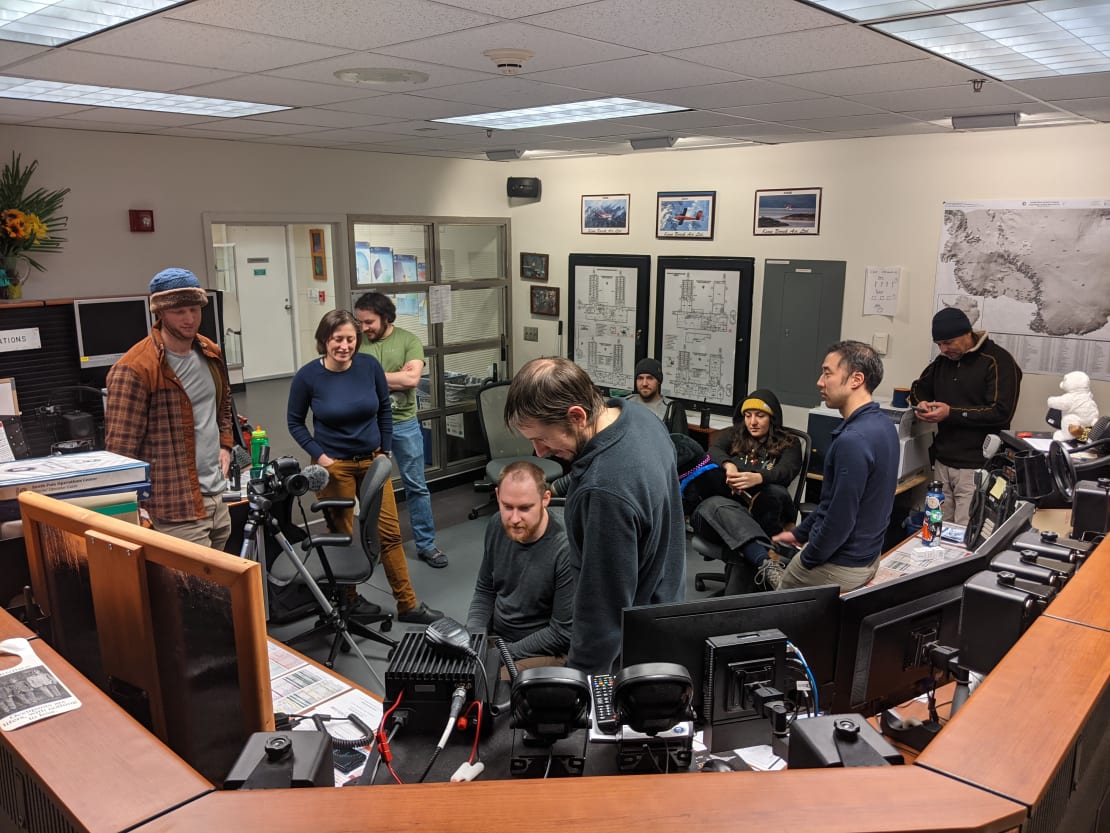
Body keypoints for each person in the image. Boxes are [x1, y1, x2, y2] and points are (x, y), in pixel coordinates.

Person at [504, 357, 686, 676]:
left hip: (625, 653)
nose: (539, 452)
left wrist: (580, 684)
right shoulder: (641, 418)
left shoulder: (603, 490)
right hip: (665, 610)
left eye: (542, 439)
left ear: (577, 416)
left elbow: (602, 612)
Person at [287, 309, 441, 625]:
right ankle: (350, 601)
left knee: (389, 533)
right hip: (335, 466)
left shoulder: (369, 367)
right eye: (337, 339)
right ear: (324, 340)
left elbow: (384, 409)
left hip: (373, 462)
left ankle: (408, 605)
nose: (344, 346)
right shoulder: (308, 376)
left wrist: (384, 451)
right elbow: (295, 422)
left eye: (350, 339)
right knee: (341, 534)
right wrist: (321, 456)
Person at [106, 268, 233, 550]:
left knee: (221, 591)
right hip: (174, 509)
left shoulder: (210, 352)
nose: (189, 319)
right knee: (189, 593)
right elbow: (120, 453)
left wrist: (225, 444)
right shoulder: (135, 368)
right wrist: (132, 509)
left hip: (215, 499)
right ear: (160, 313)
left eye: (194, 309)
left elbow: (223, 406)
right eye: (179, 311)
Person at [770, 341, 899, 592]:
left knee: (774, 622)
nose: (820, 381)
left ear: (856, 379)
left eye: (828, 373)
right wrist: (800, 534)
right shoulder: (884, 427)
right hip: (867, 558)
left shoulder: (853, 441)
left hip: (840, 565)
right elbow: (832, 503)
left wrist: (807, 559)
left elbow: (840, 519)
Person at [354, 292, 447, 569]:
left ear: (385, 317)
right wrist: (395, 379)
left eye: (369, 322)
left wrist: (373, 378)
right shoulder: (358, 345)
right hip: (368, 425)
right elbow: (353, 380)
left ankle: (426, 545)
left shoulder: (409, 340)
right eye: (360, 322)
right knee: (370, 490)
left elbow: (412, 379)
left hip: (404, 422)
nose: (364, 328)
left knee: (416, 485)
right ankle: (373, 546)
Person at [910, 307, 1022, 525]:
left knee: (964, 533)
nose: (943, 349)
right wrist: (920, 404)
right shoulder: (943, 362)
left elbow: (1000, 412)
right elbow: (918, 388)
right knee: (936, 527)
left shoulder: (998, 361)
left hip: (976, 466)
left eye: (948, 342)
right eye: (939, 344)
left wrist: (950, 413)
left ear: (967, 333)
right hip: (942, 463)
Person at [689, 389, 804, 589]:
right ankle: (766, 562)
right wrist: (728, 465)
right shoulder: (734, 434)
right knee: (714, 504)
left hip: (762, 514)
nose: (753, 422)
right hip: (724, 513)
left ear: (772, 418)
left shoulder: (789, 442)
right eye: (748, 415)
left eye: (760, 416)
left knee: (773, 493)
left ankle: (760, 560)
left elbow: (786, 471)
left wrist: (758, 478)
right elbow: (713, 451)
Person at [465, 461, 575, 665]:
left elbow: (561, 633)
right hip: (499, 641)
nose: (514, 519)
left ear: (545, 499)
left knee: (487, 689)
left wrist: (500, 655)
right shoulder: (497, 524)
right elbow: (485, 590)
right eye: (507, 506)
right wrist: (474, 636)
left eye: (525, 508)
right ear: (497, 496)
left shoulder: (565, 548)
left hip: (542, 649)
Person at [626, 357, 689, 436]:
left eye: (650, 378)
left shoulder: (673, 408)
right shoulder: (626, 403)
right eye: (640, 378)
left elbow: (680, 445)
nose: (644, 383)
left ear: (659, 381)